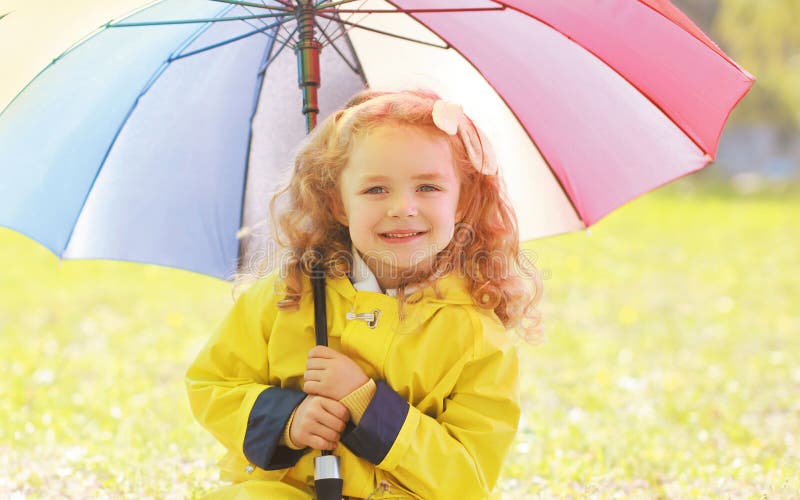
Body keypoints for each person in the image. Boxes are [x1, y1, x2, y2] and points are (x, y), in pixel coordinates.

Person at [185, 88, 543, 499]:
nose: (402, 207)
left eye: (428, 187)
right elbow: (213, 382)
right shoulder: (289, 295)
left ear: (462, 201)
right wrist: (288, 419)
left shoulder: (477, 337)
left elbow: (467, 478)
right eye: (376, 190)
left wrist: (366, 402)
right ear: (338, 203)